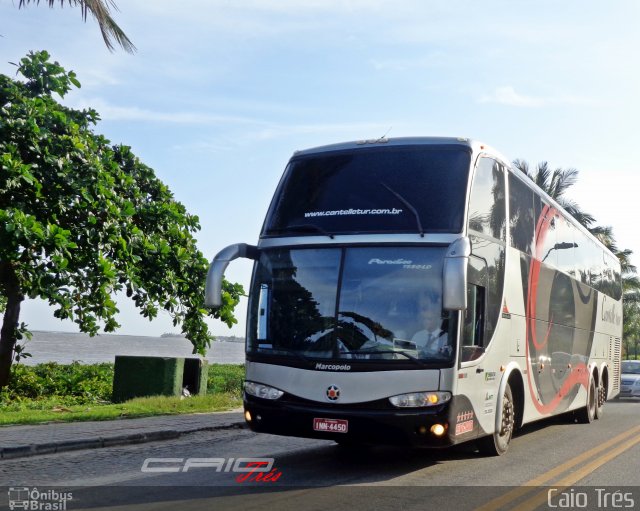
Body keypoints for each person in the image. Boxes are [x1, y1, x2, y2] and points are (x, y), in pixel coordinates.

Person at [411, 290, 450, 356]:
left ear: (437, 320)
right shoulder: (417, 335)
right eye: (424, 319)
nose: (425, 322)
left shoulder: (445, 337)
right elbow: (410, 353)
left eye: (429, 319)